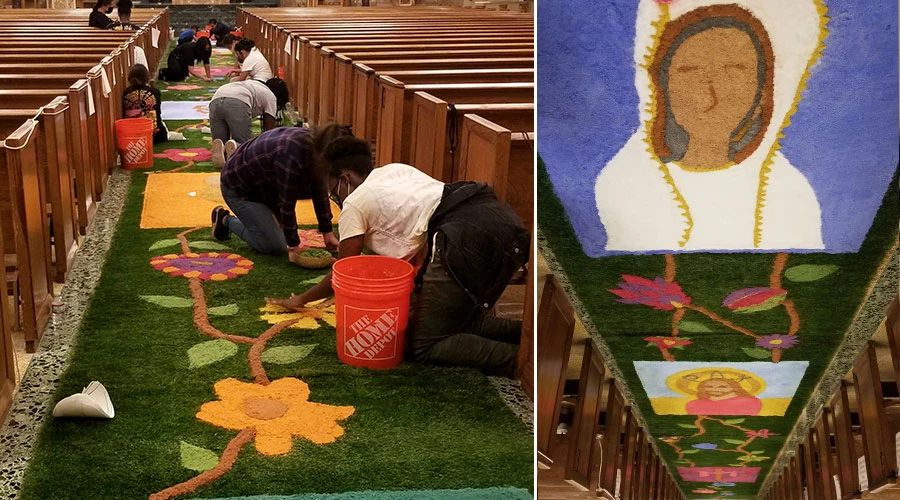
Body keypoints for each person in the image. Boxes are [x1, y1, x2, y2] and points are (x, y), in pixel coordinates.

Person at [265, 135, 530, 377]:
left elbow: (345, 273)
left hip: (465, 239)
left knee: (425, 344)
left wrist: (302, 299)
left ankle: (524, 365)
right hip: (501, 220)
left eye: (332, 187)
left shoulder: (355, 204)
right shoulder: (392, 170)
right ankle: (533, 339)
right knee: (460, 321)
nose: (332, 196)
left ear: (345, 178)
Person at [593, 2, 823, 252]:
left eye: (736, 70)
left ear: (763, 94)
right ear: (661, 91)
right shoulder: (624, 184)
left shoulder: (788, 192)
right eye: (690, 71)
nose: (714, 92)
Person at [210, 125, 344, 257]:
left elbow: (319, 188)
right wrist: (293, 246)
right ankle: (225, 220)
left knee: (281, 230)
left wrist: (328, 233)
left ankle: (263, 219)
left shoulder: (316, 147)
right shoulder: (290, 155)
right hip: (239, 188)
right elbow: (286, 203)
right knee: (274, 245)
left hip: (265, 184)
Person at [208, 78, 289, 168]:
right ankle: (236, 147)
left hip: (216, 99)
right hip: (238, 102)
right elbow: (269, 130)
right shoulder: (271, 97)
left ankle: (221, 146)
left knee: (220, 141)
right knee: (244, 144)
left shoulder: (253, 84)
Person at [122, 64, 168, 145]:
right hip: (154, 136)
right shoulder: (155, 92)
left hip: (132, 134)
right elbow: (158, 113)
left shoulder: (126, 93)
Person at [685, 378, 762, 416]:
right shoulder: (694, 404)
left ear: (734, 387)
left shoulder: (750, 402)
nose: (715, 389)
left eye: (722, 386)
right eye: (709, 386)